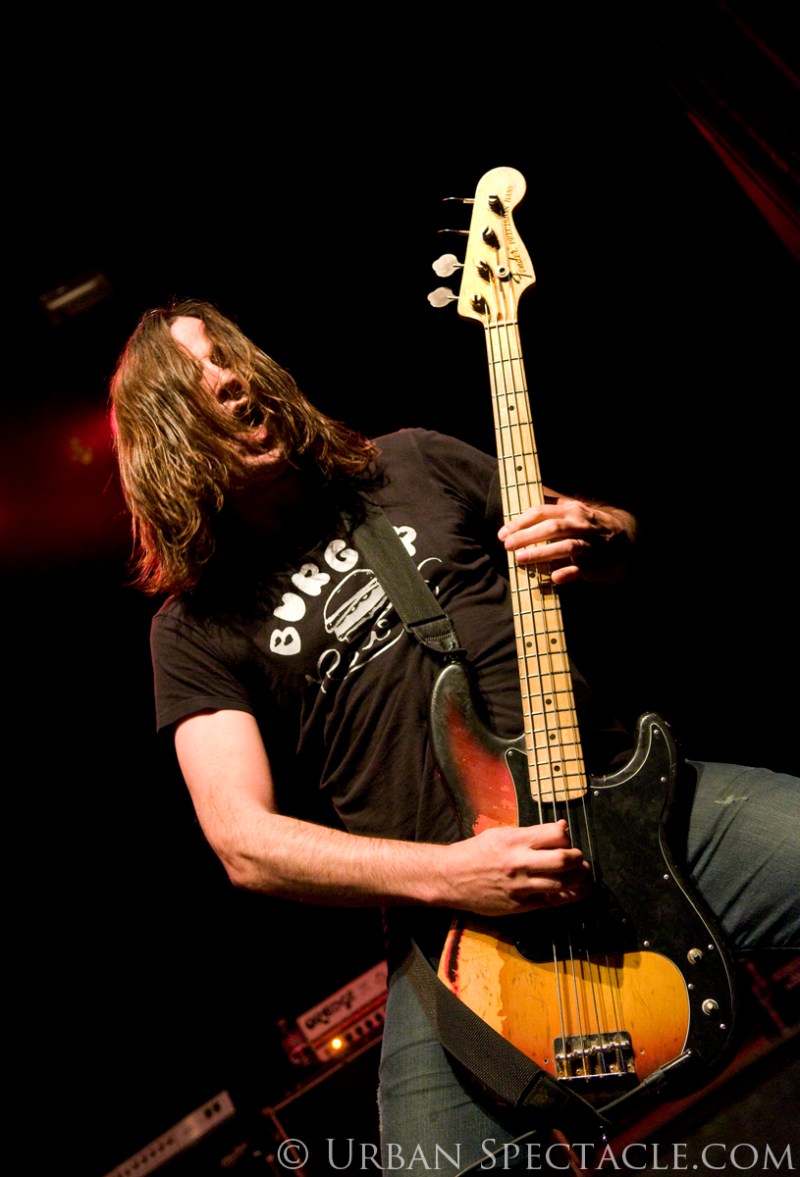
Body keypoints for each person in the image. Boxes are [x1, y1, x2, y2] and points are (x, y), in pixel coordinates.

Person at [110, 299, 798, 1174]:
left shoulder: (408, 461)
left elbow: (611, 533)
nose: (230, 379)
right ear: (165, 435)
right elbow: (242, 840)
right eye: (197, 375)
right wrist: (454, 875)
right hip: (462, 932)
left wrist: (597, 531)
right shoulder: (194, 629)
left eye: (228, 356)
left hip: (642, 819)